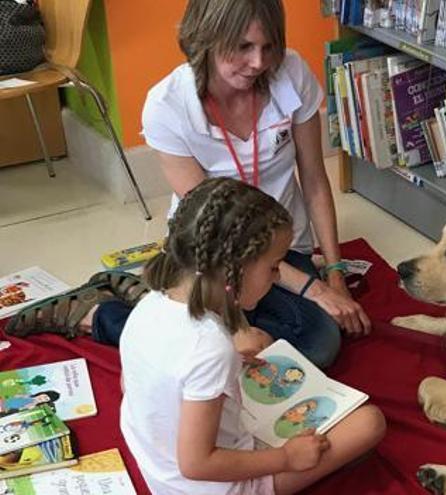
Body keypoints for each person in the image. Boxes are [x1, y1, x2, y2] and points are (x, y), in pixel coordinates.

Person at [7, 0, 369, 369]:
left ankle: (153, 296)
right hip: (211, 252)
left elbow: (314, 180)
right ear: (207, 37)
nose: (259, 62)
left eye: (269, 47)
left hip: (277, 253)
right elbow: (211, 225)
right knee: (212, 350)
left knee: (317, 343)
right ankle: (98, 314)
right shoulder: (167, 104)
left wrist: (335, 275)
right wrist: (312, 288)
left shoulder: (292, 72)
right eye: (243, 46)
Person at [120, 177, 385, 494]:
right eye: (274, 267)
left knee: (266, 351)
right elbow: (197, 464)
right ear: (235, 269)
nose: (276, 278)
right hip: (209, 486)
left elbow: (130, 384)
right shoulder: (209, 347)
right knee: (369, 423)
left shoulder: (149, 305)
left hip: (155, 462)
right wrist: (286, 458)